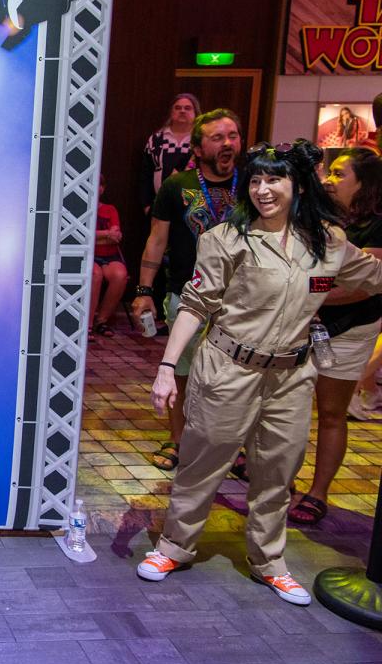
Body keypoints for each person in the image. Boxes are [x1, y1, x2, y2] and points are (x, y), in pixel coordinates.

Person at [137, 140, 382, 606]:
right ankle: (174, 547)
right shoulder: (226, 239)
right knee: (202, 463)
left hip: (292, 377)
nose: (263, 189)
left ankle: (269, 562)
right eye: (255, 180)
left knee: (277, 472)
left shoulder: (329, 242)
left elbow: (373, 274)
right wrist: (167, 367)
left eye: (274, 179)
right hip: (228, 369)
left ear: (298, 184)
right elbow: (194, 305)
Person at [131, 109, 242, 472]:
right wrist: (144, 290)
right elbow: (156, 240)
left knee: (236, 376)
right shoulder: (177, 186)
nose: (227, 143)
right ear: (197, 147)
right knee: (181, 369)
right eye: (217, 138)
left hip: (242, 300)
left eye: (233, 136)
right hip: (187, 293)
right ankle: (178, 439)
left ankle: (233, 446)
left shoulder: (254, 184)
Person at [287, 148, 382, 525]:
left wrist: (308, 292)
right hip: (307, 324)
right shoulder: (322, 217)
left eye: (340, 174)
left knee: (330, 412)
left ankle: (318, 493)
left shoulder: (376, 226)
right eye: (329, 171)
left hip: (349, 329)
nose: (329, 179)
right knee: (289, 408)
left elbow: (362, 285)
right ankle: (282, 482)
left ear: (364, 185)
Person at [139, 93, 201, 215]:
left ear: (196, 113)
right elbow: (145, 174)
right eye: (177, 108)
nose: (182, 111)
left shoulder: (201, 140)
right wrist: (146, 205)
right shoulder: (156, 139)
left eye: (187, 108)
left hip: (194, 208)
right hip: (160, 206)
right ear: (171, 112)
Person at [90, 174, 127, 338]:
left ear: (103, 189)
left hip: (110, 255)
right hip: (90, 256)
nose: (97, 188)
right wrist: (106, 234)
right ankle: (87, 324)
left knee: (120, 275)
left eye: (100, 185)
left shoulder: (110, 209)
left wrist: (97, 236)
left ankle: (101, 321)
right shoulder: (83, 210)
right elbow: (84, 236)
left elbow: (116, 236)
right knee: (95, 275)